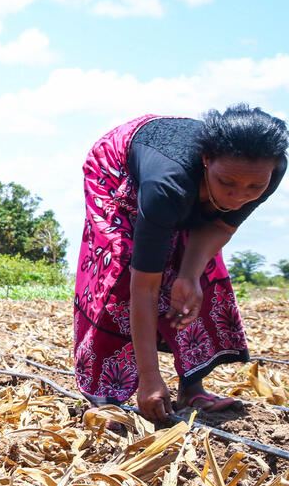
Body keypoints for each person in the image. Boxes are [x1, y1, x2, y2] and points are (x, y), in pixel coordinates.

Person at [74, 106, 288, 423]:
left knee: (200, 275)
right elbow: (144, 287)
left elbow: (219, 227)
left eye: (253, 188)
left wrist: (189, 276)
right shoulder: (166, 187)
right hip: (119, 164)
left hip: (179, 176)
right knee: (120, 268)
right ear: (206, 160)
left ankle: (192, 386)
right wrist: (150, 377)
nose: (238, 196)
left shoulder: (268, 167)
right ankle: (106, 395)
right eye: (226, 182)